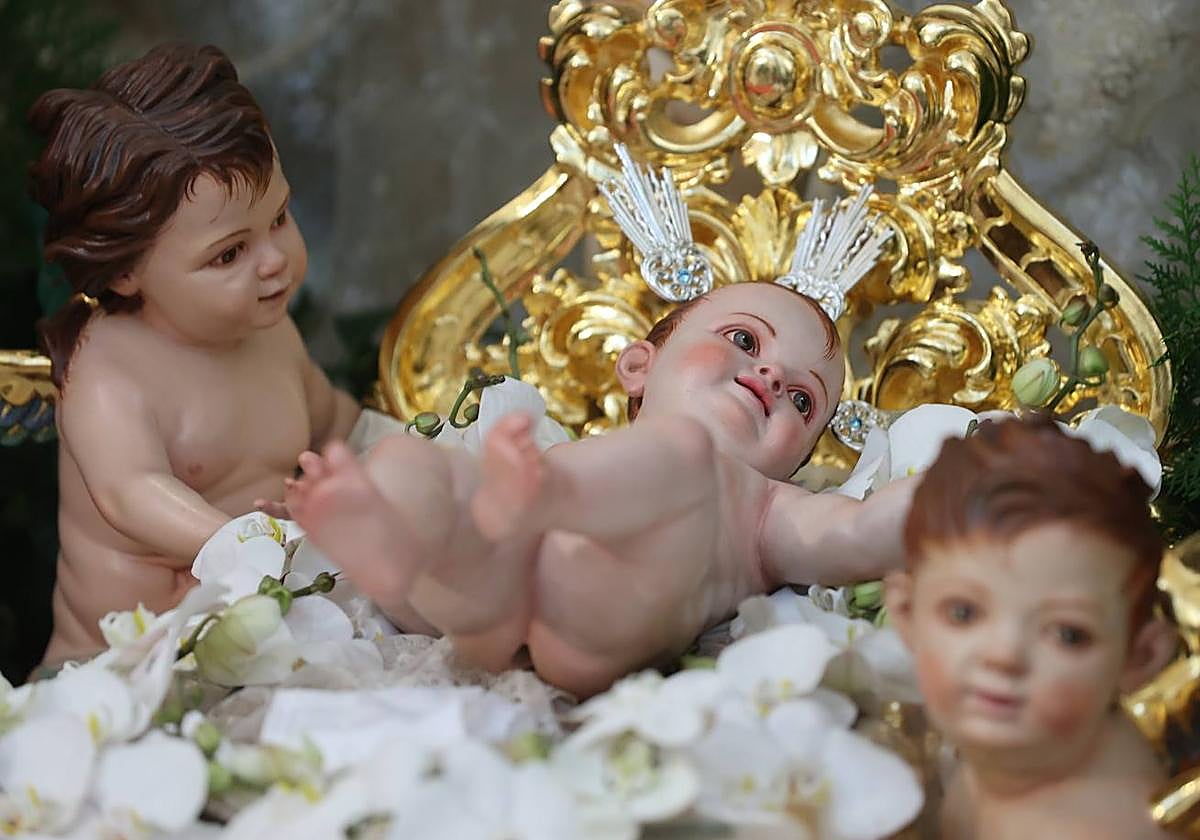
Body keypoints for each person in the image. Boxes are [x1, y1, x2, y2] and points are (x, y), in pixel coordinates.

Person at [287, 279, 916, 697]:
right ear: (639, 366)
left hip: (592, 618)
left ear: (797, 462)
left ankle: (508, 531)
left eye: (803, 402)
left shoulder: (771, 508)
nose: (773, 375)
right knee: (409, 459)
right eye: (744, 340)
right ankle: (389, 539)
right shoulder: (556, 453)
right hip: (490, 586)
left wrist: (954, 492)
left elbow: (856, 533)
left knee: (677, 456)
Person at [30, 44, 359, 668]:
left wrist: (376, 459)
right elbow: (130, 491)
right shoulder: (108, 368)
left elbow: (333, 422)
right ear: (126, 271)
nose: (274, 261)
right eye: (229, 254)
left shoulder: (271, 334)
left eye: (281, 217)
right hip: (121, 662)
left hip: (258, 633)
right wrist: (244, 544)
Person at [885, 417, 1178, 839]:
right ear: (906, 612)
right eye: (964, 613)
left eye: (1068, 635)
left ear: (1140, 656)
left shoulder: (1096, 828)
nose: (1003, 654)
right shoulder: (1018, 753)